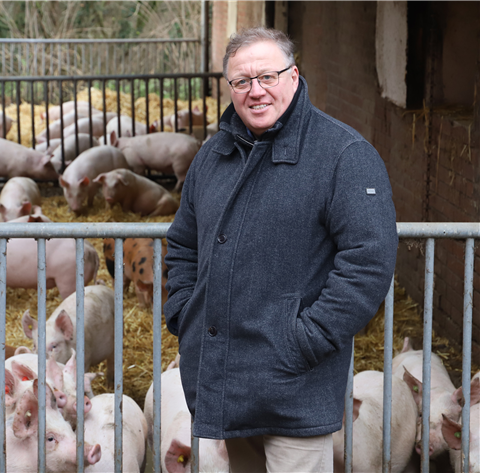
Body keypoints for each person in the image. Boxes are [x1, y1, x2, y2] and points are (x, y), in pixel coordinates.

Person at [163, 26, 398, 472]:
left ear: (293, 76)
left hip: (294, 384)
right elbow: (182, 243)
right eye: (242, 81)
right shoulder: (213, 156)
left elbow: (368, 263)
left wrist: (305, 341)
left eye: (268, 77)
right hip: (225, 378)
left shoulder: (343, 154)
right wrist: (185, 312)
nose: (256, 91)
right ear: (230, 88)